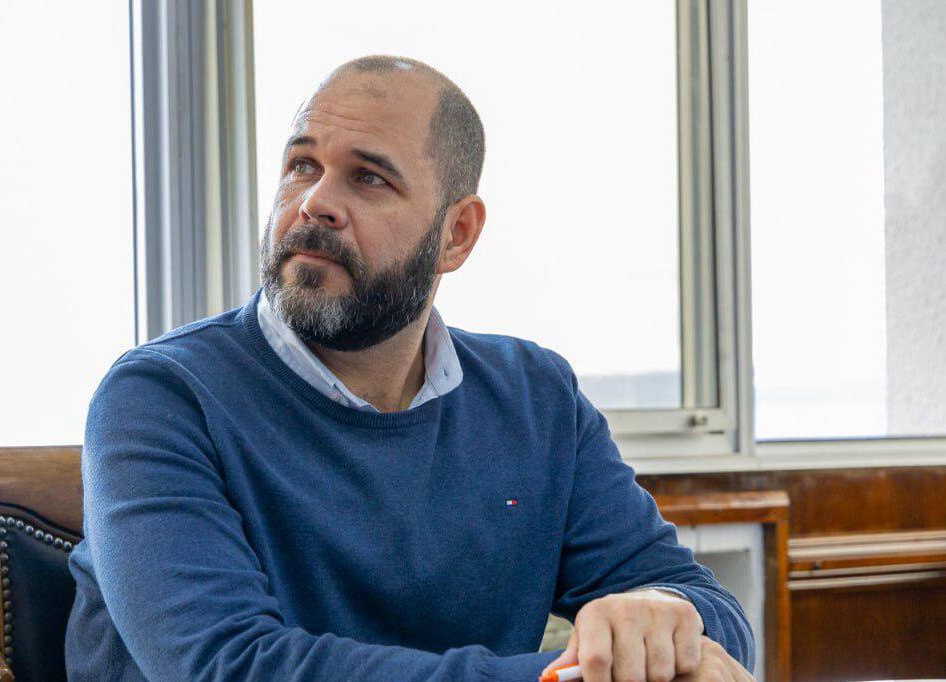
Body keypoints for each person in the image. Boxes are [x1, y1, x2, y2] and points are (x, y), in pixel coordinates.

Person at [65, 54, 755, 682]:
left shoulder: (537, 397)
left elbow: (710, 613)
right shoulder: (158, 397)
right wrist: (583, 675)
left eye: (368, 178)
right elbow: (229, 667)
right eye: (301, 165)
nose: (313, 203)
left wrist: (662, 618)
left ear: (456, 234)